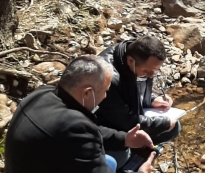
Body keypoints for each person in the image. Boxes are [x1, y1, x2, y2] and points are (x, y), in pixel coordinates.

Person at [5, 55, 156, 173]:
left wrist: (124, 139)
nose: (104, 97)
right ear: (87, 93)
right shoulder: (75, 126)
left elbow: (85, 132)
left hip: (29, 164)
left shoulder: (42, 94)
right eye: (105, 91)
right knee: (112, 162)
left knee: (112, 160)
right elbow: (81, 132)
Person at [97, 36, 180, 168]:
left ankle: (140, 152)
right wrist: (162, 123)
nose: (151, 75)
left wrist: (152, 100)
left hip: (127, 119)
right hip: (108, 127)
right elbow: (124, 120)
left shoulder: (139, 61)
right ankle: (133, 158)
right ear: (130, 61)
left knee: (174, 127)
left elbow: (136, 90)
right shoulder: (109, 77)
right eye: (148, 72)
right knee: (120, 158)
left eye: (154, 71)